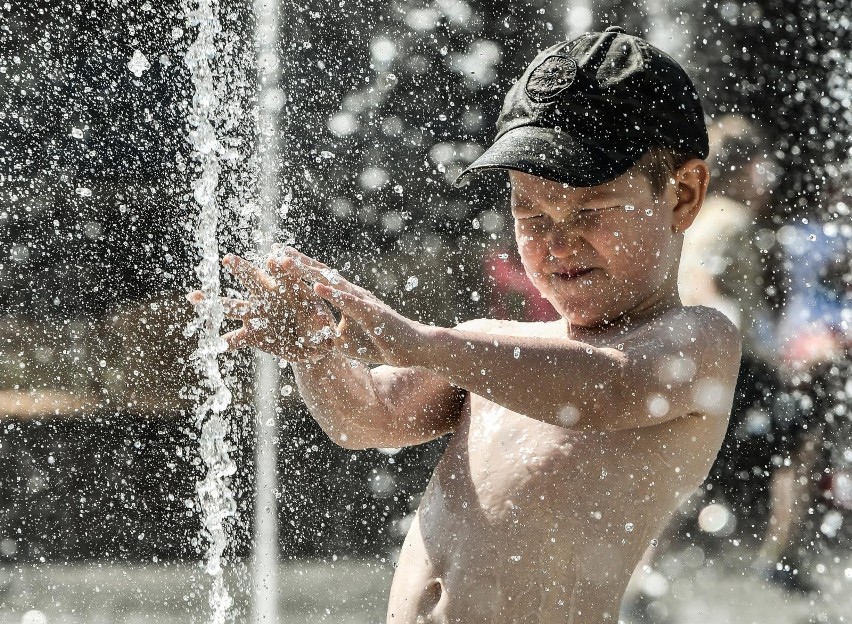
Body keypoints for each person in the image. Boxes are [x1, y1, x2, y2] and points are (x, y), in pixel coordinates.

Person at [190, 27, 740, 623]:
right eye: (530, 214)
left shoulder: (698, 339)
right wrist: (315, 352)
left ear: (683, 196)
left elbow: (609, 388)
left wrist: (426, 344)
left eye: (590, 210)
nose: (557, 242)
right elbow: (368, 418)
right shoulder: (496, 348)